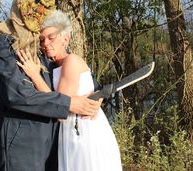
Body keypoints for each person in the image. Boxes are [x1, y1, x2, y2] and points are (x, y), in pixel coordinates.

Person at [0, 0, 101, 171]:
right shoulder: (1, 42)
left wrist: (96, 96)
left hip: (56, 144)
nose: (37, 13)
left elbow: (77, 74)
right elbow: (17, 95)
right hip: (22, 146)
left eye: (43, 8)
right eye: (33, 6)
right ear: (22, 4)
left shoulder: (40, 42)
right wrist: (70, 104)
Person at [17, 10, 122, 171]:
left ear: (65, 39)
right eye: (42, 39)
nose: (45, 43)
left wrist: (34, 75)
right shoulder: (53, 67)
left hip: (85, 134)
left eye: (51, 38)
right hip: (70, 133)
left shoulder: (71, 61)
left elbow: (58, 106)